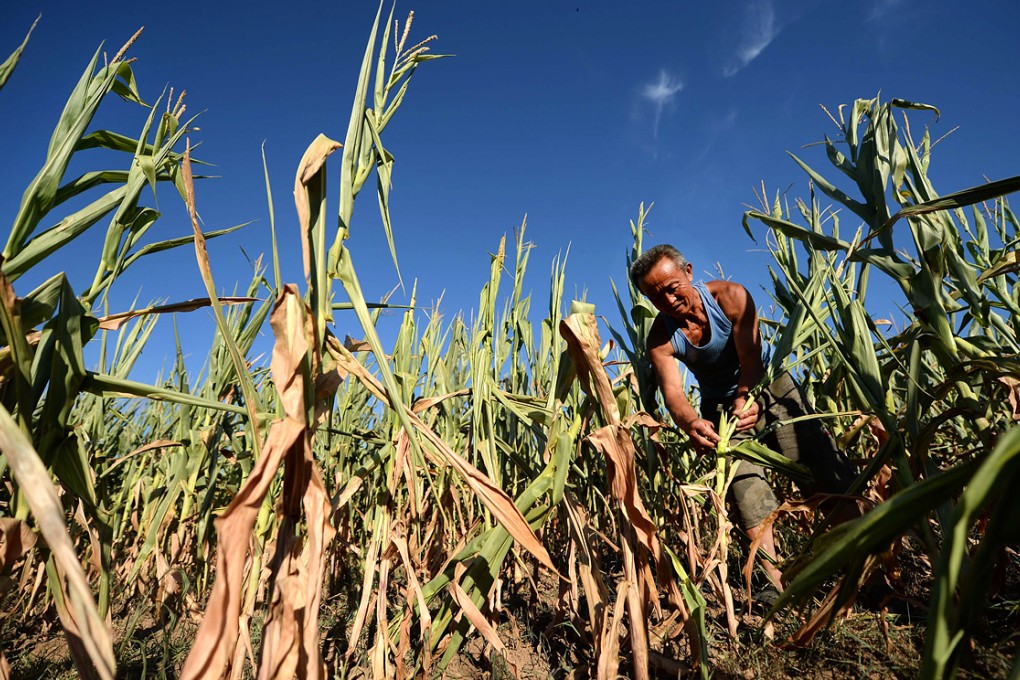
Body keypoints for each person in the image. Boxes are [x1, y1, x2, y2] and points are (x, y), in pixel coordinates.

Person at [630, 244, 856, 597]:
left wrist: (746, 396)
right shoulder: (661, 339)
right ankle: (771, 582)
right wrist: (691, 423)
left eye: (673, 287)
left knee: (819, 468)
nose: (669, 300)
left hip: (769, 386)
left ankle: (864, 564)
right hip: (719, 407)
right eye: (657, 297)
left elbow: (750, 356)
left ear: (688, 272)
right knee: (745, 487)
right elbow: (673, 394)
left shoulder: (731, 297)